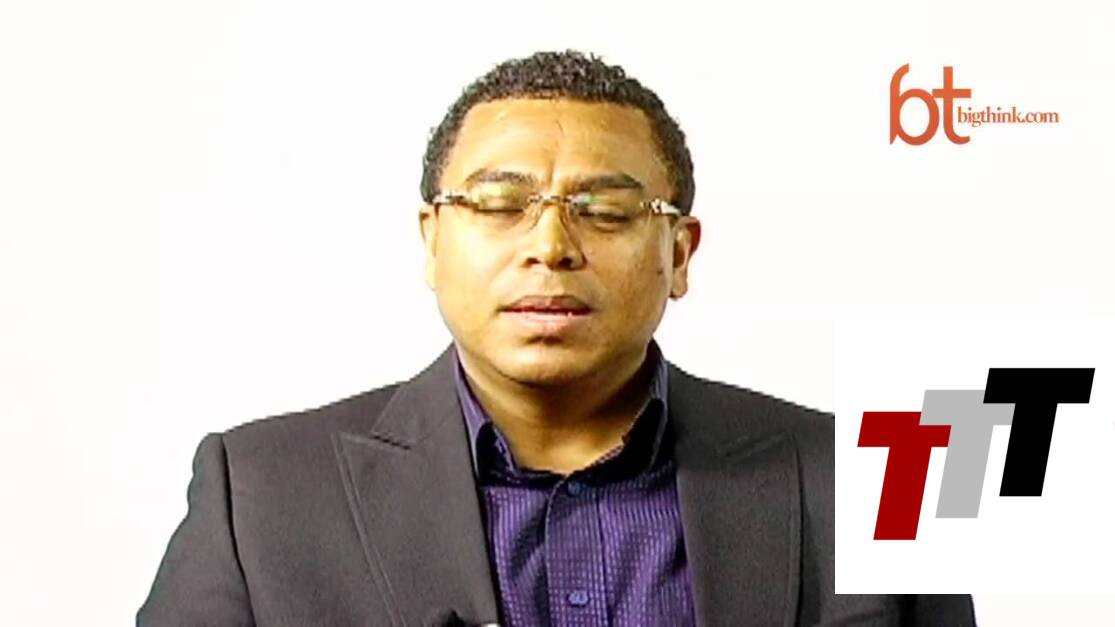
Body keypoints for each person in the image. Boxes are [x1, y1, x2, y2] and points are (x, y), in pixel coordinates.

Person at [138, 50, 976, 626]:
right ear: (432, 240)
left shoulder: (876, 480)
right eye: (499, 204)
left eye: (605, 210)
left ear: (679, 254)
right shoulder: (261, 494)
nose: (549, 245)